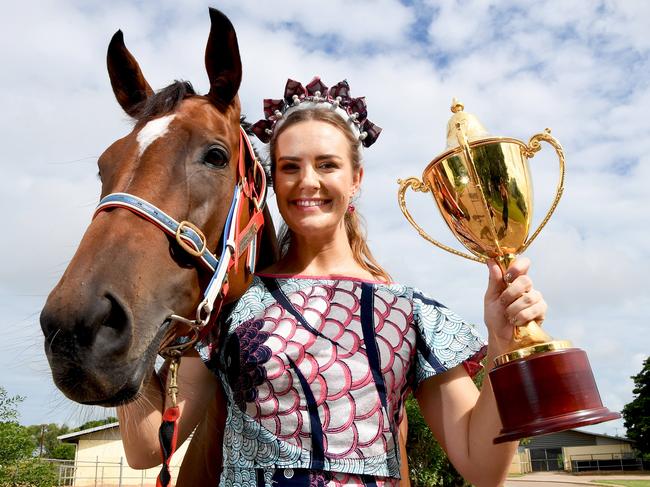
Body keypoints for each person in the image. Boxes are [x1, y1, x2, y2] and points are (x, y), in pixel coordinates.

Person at [117, 77, 547, 487]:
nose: (308, 181)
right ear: (273, 182)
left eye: (327, 165)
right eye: (290, 167)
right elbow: (145, 447)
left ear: (355, 179)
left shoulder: (409, 313)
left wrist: (502, 346)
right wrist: (112, 327)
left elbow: (483, 468)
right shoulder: (232, 309)